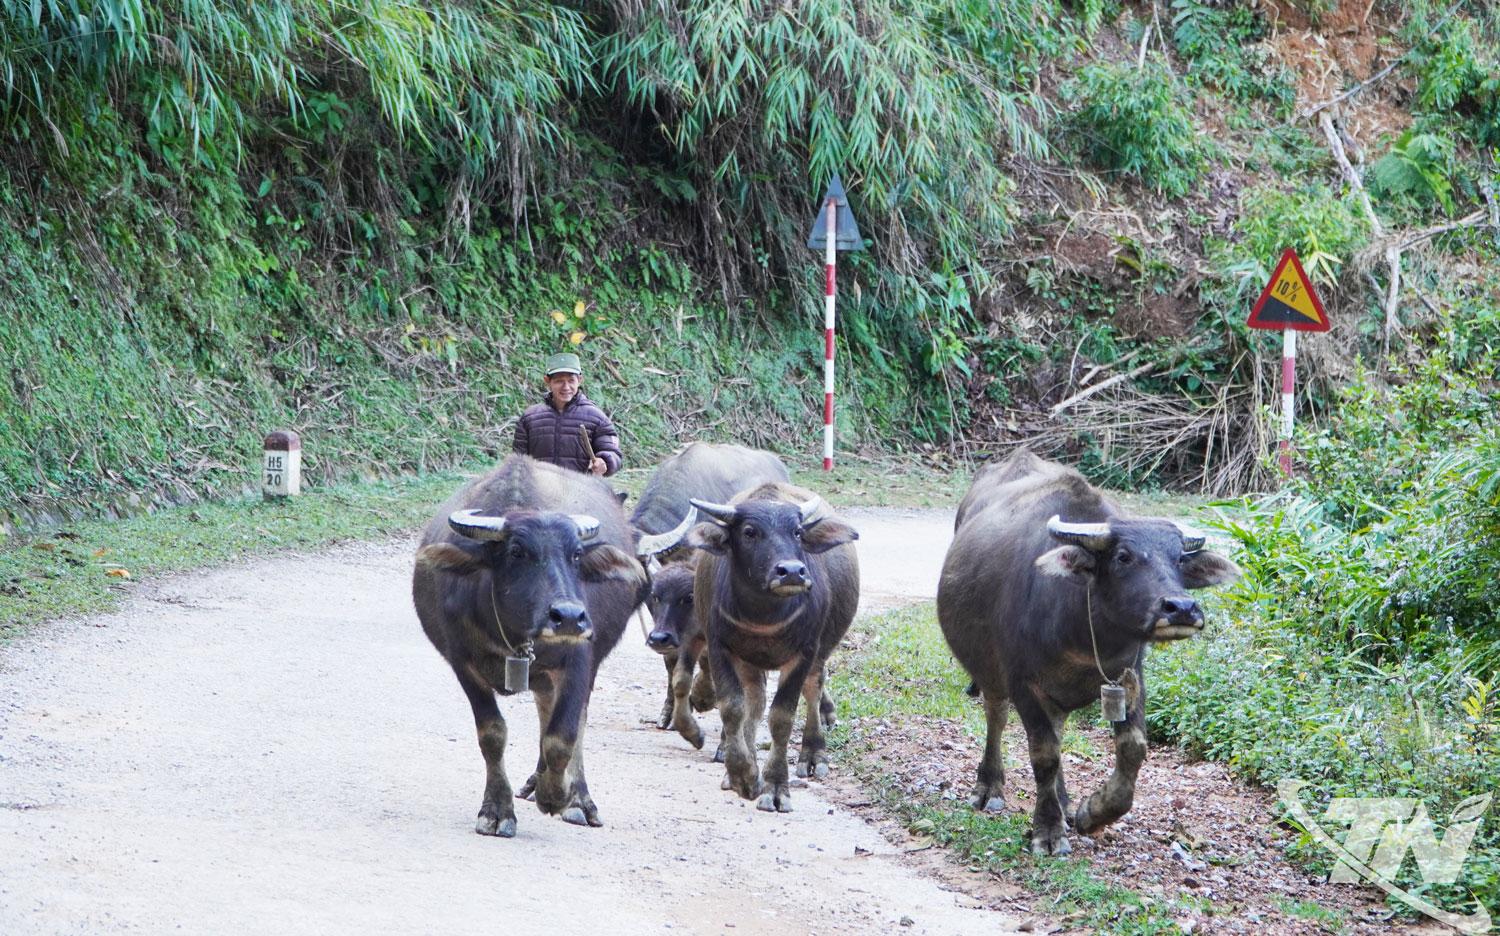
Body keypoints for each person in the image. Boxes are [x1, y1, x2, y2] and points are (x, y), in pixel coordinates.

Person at [512, 352, 622, 476]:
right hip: (539, 486)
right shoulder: (530, 418)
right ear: (547, 381)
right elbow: (518, 460)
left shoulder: (597, 418)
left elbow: (613, 453)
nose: (566, 387)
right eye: (559, 381)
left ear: (579, 380)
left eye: (571, 381)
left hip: (580, 486)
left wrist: (605, 462)